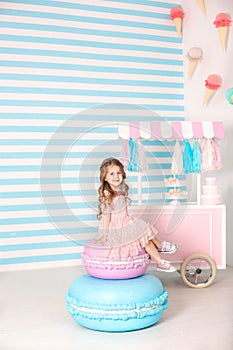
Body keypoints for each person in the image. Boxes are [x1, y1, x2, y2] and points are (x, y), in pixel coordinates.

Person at [94, 157, 178, 272]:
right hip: (119, 229)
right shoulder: (107, 195)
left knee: (145, 238)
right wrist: (104, 235)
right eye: (112, 174)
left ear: (123, 174)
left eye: (118, 173)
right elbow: (106, 217)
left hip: (127, 223)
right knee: (143, 230)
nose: (116, 176)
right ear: (105, 178)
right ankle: (160, 247)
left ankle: (160, 260)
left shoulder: (119, 191)